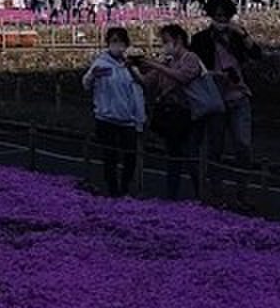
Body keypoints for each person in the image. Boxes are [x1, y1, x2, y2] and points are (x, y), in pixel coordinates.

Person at [137, 22, 221, 200]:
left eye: (167, 41)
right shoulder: (168, 61)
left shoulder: (190, 58)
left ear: (179, 40)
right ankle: (172, 196)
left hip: (191, 113)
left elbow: (183, 77)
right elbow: (146, 81)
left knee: (191, 153)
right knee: (173, 154)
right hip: (173, 114)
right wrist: (134, 67)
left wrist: (157, 66)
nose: (164, 45)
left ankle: (201, 194)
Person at [192, 0, 261, 169]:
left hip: (238, 95)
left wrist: (243, 34)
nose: (221, 20)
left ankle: (243, 186)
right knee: (215, 146)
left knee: (242, 143)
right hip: (215, 98)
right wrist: (214, 74)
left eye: (225, 17)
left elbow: (256, 54)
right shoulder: (201, 39)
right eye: (218, 16)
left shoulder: (237, 38)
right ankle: (215, 187)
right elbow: (194, 67)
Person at [82, 26, 146, 197]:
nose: (117, 45)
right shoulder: (101, 63)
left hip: (128, 118)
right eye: (114, 42)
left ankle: (125, 186)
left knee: (130, 156)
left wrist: (132, 67)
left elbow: (142, 83)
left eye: (121, 42)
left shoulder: (129, 66)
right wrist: (93, 76)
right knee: (110, 156)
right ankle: (113, 189)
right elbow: (86, 84)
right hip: (106, 117)